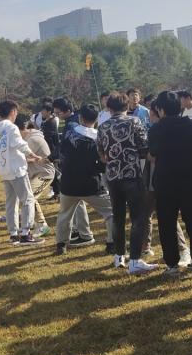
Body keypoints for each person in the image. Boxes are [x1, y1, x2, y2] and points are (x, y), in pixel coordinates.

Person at [148, 90, 192, 275]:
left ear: (160, 109)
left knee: (167, 223)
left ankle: (172, 265)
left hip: (165, 181)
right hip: (190, 179)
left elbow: (153, 154)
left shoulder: (156, 130)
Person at [98, 92, 159, 273]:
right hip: (132, 174)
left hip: (112, 177)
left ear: (109, 108)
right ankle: (135, 260)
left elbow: (102, 155)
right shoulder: (134, 122)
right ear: (127, 106)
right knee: (138, 218)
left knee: (118, 218)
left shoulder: (103, 126)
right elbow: (144, 148)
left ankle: (119, 256)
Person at [54, 104, 115, 256]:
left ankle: (61, 244)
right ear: (97, 119)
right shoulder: (98, 137)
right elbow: (103, 162)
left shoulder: (69, 132)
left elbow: (61, 154)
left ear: (81, 118)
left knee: (64, 215)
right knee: (110, 213)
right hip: (91, 184)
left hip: (68, 183)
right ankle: (111, 243)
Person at [0, 100, 45, 246]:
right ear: (12, 112)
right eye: (16, 112)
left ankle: (13, 234)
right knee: (28, 200)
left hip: (4, 169)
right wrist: (33, 154)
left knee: (11, 202)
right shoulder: (11, 127)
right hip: (16, 169)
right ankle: (26, 233)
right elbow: (20, 144)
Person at [53, 97, 92, 244]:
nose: (57, 116)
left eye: (58, 113)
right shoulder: (71, 121)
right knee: (77, 201)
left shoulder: (73, 124)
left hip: (75, 168)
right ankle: (79, 230)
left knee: (77, 200)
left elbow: (66, 146)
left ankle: (84, 233)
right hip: (75, 167)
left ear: (68, 111)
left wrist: (54, 157)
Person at [20, 118, 54, 236]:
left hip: (44, 174)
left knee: (29, 197)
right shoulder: (28, 138)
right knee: (27, 197)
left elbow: (22, 158)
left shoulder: (32, 139)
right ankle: (36, 223)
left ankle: (42, 225)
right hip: (36, 173)